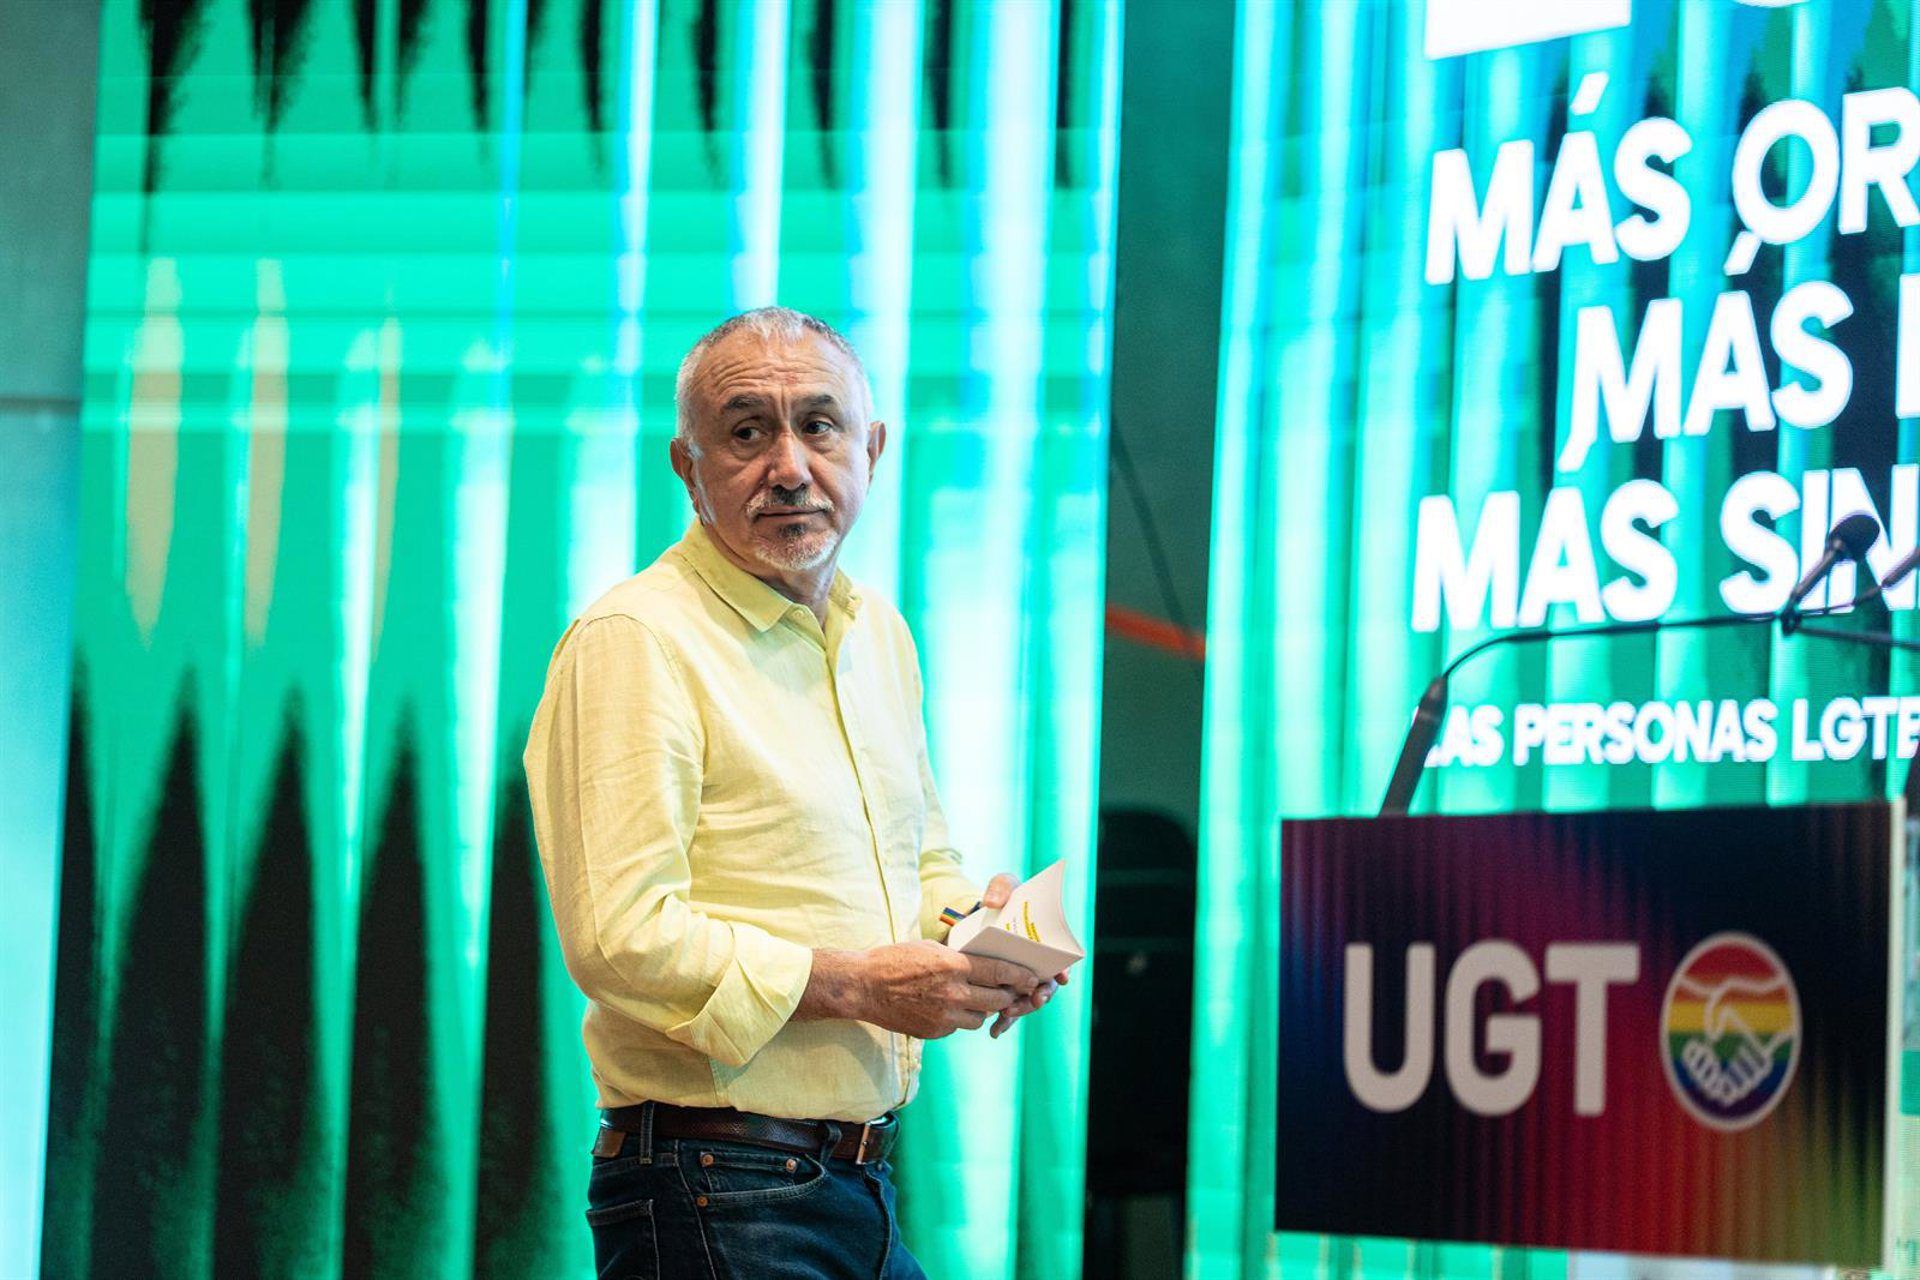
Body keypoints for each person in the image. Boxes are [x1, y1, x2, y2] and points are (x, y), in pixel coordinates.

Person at [522, 306, 1068, 1279]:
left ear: (873, 449)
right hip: (713, 1179)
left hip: (855, 1177)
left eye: (819, 425)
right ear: (688, 467)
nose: (788, 467)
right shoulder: (636, 641)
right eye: (746, 433)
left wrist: (978, 941)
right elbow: (620, 936)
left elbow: (918, 863)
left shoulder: (877, 633)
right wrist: (862, 985)